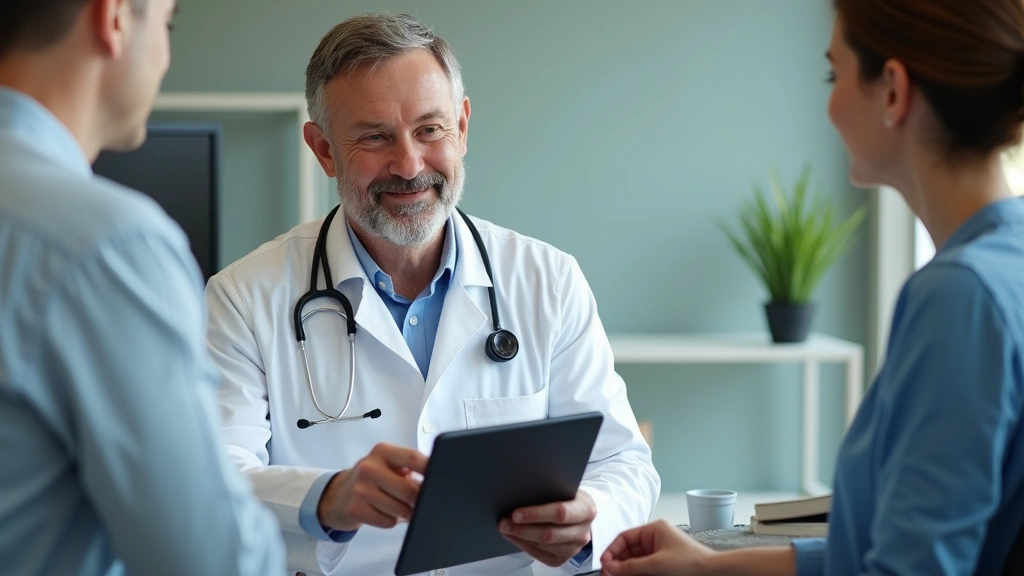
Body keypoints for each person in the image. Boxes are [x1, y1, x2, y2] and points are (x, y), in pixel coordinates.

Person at [205, 12, 660, 576]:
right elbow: (209, 480)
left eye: (430, 129)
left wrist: (589, 517)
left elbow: (622, 461)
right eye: (374, 137)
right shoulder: (244, 298)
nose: (409, 164)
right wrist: (326, 498)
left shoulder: (549, 280)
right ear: (323, 149)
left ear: (462, 128)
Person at [600, 1, 1024, 575]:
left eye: (835, 73)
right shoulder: (1005, 259)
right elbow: (894, 549)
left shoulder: (959, 298)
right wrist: (708, 566)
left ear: (893, 92)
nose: (829, 104)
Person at [0, 1, 285, 575]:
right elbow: (211, 560)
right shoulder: (109, 246)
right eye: (166, 23)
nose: (164, 57)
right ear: (112, 19)